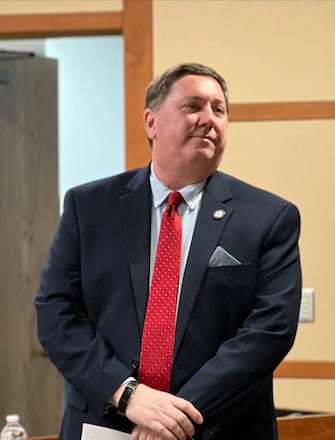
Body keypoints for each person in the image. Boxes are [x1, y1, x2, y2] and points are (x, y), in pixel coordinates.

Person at [35, 62, 302, 440]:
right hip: (107, 422)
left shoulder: (269, 218)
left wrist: (174, 416)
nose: (209, 119)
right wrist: (129, 396)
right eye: (193, 106)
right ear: (151, 122)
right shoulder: (89, 207)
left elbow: (270, 330)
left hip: (217, 426)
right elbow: (56, 314)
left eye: (219, 109)